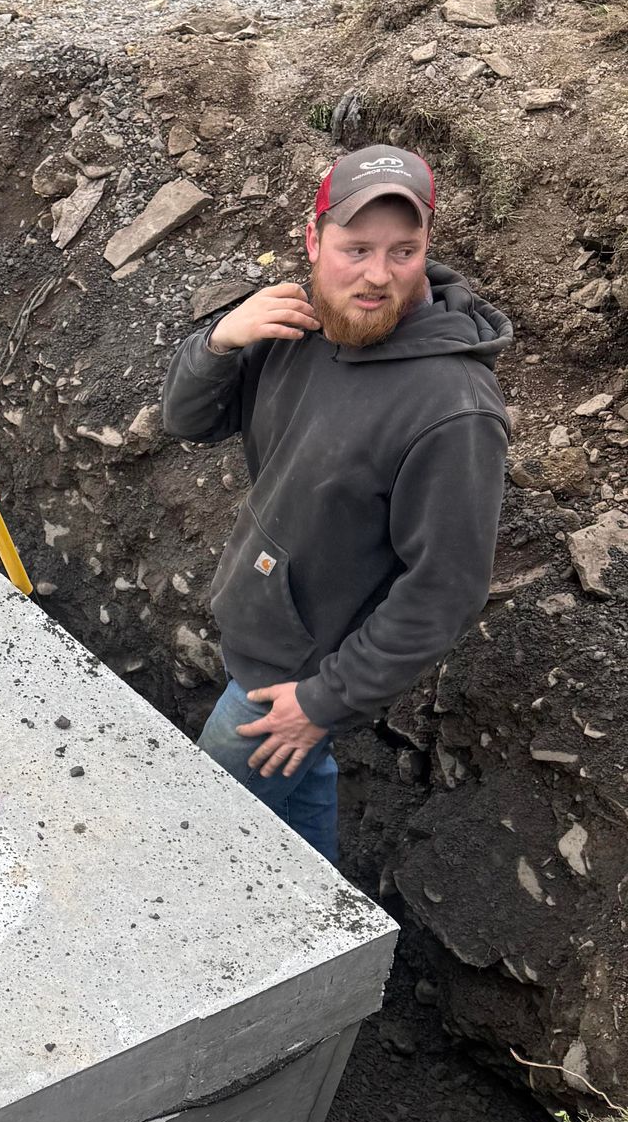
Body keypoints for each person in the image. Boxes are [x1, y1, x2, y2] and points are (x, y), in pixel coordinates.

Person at [160, 144, 511, 865]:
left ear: (426, 248)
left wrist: (324, 701)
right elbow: (188, 421)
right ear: (314, 240)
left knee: (190, 838)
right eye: (356, 249)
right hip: (264, 628)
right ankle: (328, 930)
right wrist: (220, 342)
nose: (378, 275)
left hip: (291, 678)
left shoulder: (454, 410)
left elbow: (445, 590)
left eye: (403, 251)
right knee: (297, 809)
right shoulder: (296, 326)